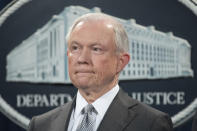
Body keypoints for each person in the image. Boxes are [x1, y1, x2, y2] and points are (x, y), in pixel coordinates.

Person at [27, 13, 173, 131]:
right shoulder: (40, 125)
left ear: (120, 62)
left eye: (96, 49)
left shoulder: (151, 124)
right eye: (75, 48)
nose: (82, 59)